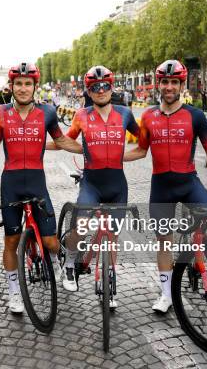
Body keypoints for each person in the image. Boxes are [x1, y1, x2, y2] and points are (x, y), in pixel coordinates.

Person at [124, 59, 207, 313]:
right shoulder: (149, 116)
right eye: (165, 82)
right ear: (158, 84)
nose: (169, 86)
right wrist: (112, 157)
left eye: (174, 82)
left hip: (188, 182)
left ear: (181, 85)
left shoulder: (195, 115)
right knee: (164, 242)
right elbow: (140, 150)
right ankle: (166, 295)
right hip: (161, 186)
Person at [0, 63, 82, 314]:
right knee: (11, 241)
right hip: (10, 184)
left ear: (35, 86)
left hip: (37, 183)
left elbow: (60, 140)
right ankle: (14, 293)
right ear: (11, 86)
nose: (23, 88)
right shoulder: (0, 112)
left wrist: (90, 150)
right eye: (18, 84)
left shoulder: (47, 112)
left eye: (28, 84)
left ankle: (59, 262)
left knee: (50, 241)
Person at [49, 65, 140, 308]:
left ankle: (109, 280)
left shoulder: (125, 114)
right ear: (88, 91)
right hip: (92, 183)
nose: (100, 90)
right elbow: (65, 140)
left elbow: (145, 140)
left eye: (105, 85)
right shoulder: (81, 115)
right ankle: (69, 263)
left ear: (112, 87)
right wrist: (39, 145)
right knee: (81, 226)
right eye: (95, 87)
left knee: (112, 236)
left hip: (118, 185)